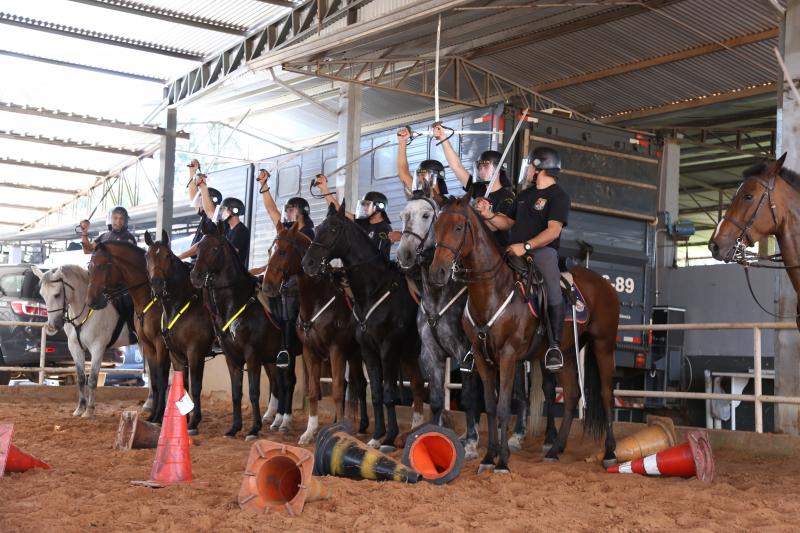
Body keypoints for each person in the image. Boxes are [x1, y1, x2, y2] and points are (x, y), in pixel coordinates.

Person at [474, 147, 570, 371]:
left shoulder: (559, 196)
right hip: (514, 250)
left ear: (540, 168)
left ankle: (554, 345)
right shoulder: (524, 195)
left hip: (542, 252)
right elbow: (508, 223)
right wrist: (489, 215)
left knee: (552, 289)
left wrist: (526, 246)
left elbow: (553, 231)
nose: (527, 170)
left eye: (530, 166)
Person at [252, 168, 314, 368]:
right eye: (286, 210)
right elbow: (271, 210)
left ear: (301, 212)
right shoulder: (285, 232)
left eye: (291, 210)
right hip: (284, 277)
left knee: (288, 294)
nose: (286, 213)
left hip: (300, 282)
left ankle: (285, 348)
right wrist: (264, 185)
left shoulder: (308, 233)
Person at [432, 124, 515, 247]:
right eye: (480, 167)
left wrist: (483, 215)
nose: (481, 170)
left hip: (498, 251)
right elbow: (456, 166)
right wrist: (444, 138)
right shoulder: (477, 188)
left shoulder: (507, 197)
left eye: (485, 167)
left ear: (498, 169)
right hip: (476, 249)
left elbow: (496, 227)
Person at [314, 174, 396, 260]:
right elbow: (339, 210)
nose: (364, 208)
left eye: (367, 206)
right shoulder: (363, 222)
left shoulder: (385, 229)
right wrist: (324, 188)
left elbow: (375, 256)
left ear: (379, 207)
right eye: (363, 205)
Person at [178, 160, 222, 262]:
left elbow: (200, 245)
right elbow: (193, 196)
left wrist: (179, 257)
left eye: (203, 198)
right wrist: (192, 172)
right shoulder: (206, 216)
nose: (199, 202)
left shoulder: (217, 219)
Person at [396, 127, 449, 197]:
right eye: (419, 175)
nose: (419, 178)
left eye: (423, 174)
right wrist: (402, 141)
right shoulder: (420, 194)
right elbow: (403, 173)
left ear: (434, 176)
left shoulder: (446, 204)